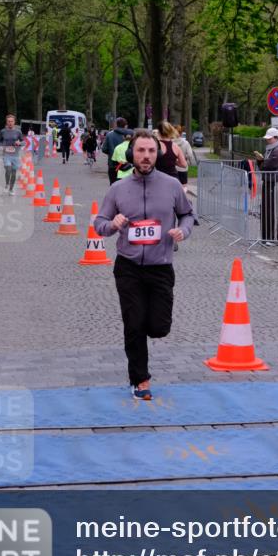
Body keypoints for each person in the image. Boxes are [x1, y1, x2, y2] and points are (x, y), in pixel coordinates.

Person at [94, 129, 196, 401]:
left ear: (157, 154)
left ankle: (149, 333)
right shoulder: (118, 189)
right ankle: (140, 380)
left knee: (159, 327)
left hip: (161, 266)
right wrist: (112, 224)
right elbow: (99, 223)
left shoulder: (171, 185)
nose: (146, 156)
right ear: (132, 154)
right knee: (134, 324)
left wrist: (183, 231)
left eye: (151, 151)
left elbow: (188, 215)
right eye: (141, 150)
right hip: (128, 266)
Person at [254, 127, 278, 246]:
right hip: (269, 181)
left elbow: (268, 165)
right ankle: (266, 237)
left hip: (276, 183)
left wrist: (261, 162)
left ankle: (274, 238)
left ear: (276, 138)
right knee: (267, 209)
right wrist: (261, 162)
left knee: (274, 209)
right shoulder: (271, 149)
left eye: (269, 139)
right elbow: (265, 165)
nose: (267, 140)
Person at [0, 113, 24, 195]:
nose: (10, 123)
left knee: (14, 172)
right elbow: (0, 140)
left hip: (15, 154)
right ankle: (7, 184)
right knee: (8, 169)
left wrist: (19, 143)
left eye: (11, 121)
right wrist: (1, 146)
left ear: (14, 122)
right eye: (8, 121)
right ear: (6, 122)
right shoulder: (3, 131)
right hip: (6, 154)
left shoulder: (18, 132)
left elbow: (23, 141)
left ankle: (11, 189)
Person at [104, 117, 132, 184]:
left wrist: (111, 152)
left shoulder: (109, 135)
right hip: (128, 166)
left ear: (116, 124)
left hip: (113, 165)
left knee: (113, 185)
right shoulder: (130, 134)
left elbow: (104, 149)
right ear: (125, 125)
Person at [171, 126, 197, 191]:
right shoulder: (186, 143)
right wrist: (187, 161)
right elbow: (190, 155)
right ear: (181, 133)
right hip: (183, 169)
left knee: (172, 188)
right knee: (183, 188)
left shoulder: (170, 143)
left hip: (172, 168)